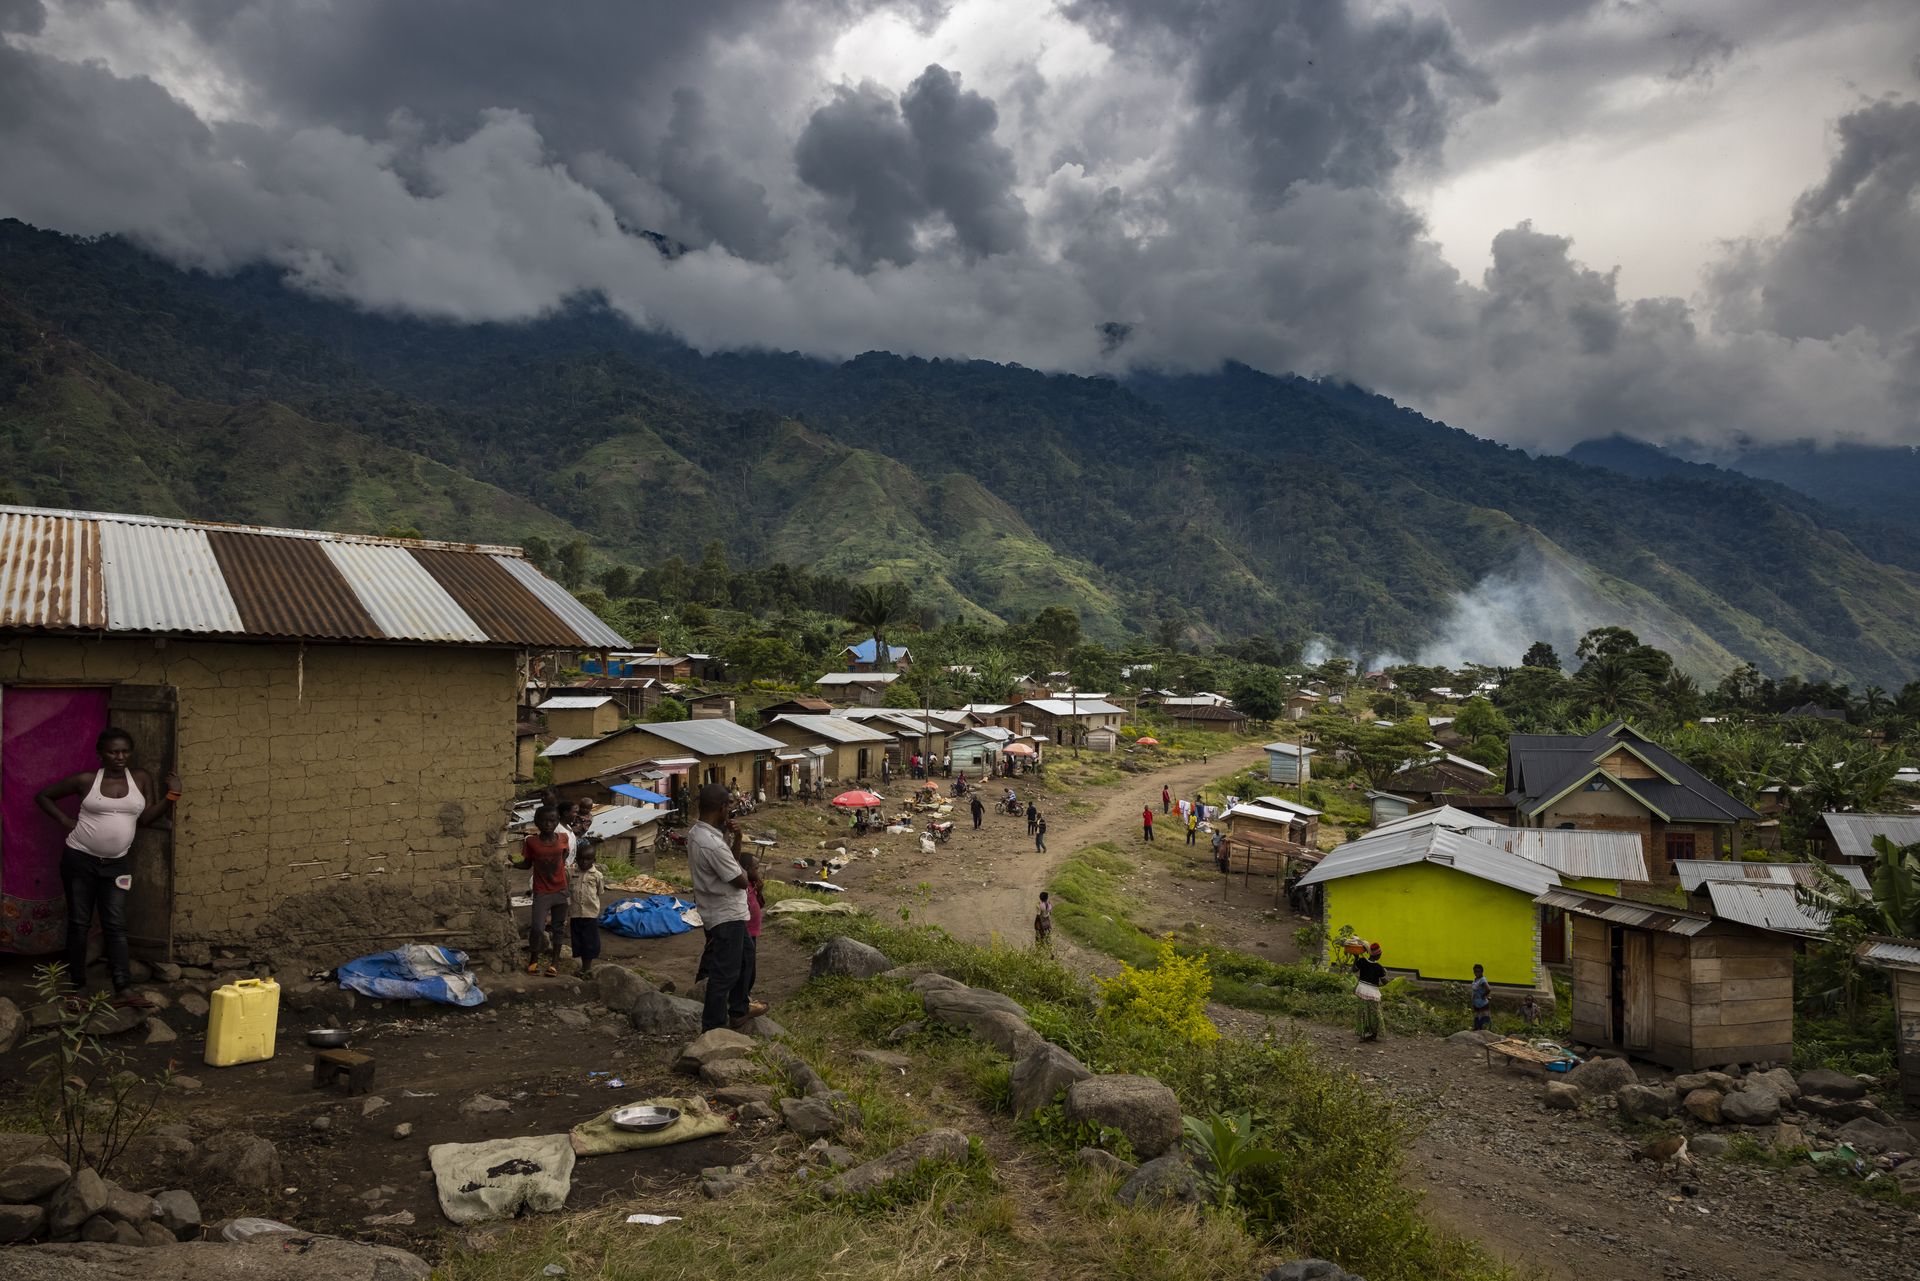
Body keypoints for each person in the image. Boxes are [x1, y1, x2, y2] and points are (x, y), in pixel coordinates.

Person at [36, 728, 179, 997]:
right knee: (79, 923)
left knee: (115, 925)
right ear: (101, 754)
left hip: (116, 865)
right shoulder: (86, 780)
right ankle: (78, 985)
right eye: (113, 752)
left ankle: (123, 988)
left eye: (125, 751)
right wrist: (65, 820)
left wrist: (172, 796)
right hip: (79, 860)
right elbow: (43, 796)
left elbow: (146, 818)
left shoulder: (140, 778)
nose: (120, 756)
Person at [687, 783, 755, 1032]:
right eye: (729, 805)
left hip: (727, 911)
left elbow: (731, 861)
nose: (730, 810)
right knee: (725, 972)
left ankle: (739, 1009)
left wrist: (736, 838)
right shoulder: (711, 844)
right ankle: (712, 1026)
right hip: (725, 914)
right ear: (721, 807)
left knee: (746, 958)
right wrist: (746, 871)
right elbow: (741, 879)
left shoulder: (699, 833)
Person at [511, 806, 570, 976]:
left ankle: (554, 963)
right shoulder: (531, 842)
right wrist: (513, 863)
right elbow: (527, 864)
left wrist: (557, 869)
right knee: (537, 927)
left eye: (552, 820)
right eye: (544, 821)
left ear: (557, 821)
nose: (548, 824)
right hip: (542, 891)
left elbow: (564, 856)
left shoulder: (564, 838)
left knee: (558, 927)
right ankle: (534, 959)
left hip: (560, 889)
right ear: (536, 822)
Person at [568, 844, 607, 978]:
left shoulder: (597, 876)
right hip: (575, 913)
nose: (584, 862)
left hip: (590, 914)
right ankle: (583, 968)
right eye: (581, 859)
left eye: (588, 859)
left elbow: (599, 891)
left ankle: (587, 968)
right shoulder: (572, 873)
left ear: (593, 860)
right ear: (576, 859)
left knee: (589, 941)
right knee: (578, 940)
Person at [1353, 942, 1387, 1041]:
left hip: (1361, 990)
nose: (1380, 955)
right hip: (1372, 993)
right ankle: (1374, 1034)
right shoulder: (1379, 967)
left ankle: (1362, 1034)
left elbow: (1354, 970)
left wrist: (1356, 958)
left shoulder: (1362, 961)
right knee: (1375, 1014)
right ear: (1377, 955)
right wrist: (1385, 975)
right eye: (1380, 954)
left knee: (1362, 1013)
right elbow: (1385, 982)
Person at [1469, 963, 1493, 1032]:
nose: (1476, 973)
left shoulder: (1482, 980)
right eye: (1475, 971)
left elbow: (1488, 989)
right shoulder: (1476, 979)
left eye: (1478, 971)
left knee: (1484, 1019)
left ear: (1482, 972)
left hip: (1483, 1003)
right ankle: (1477, 1030)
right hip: (1476, 1003)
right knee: (1477, 1018)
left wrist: (1483, 995)